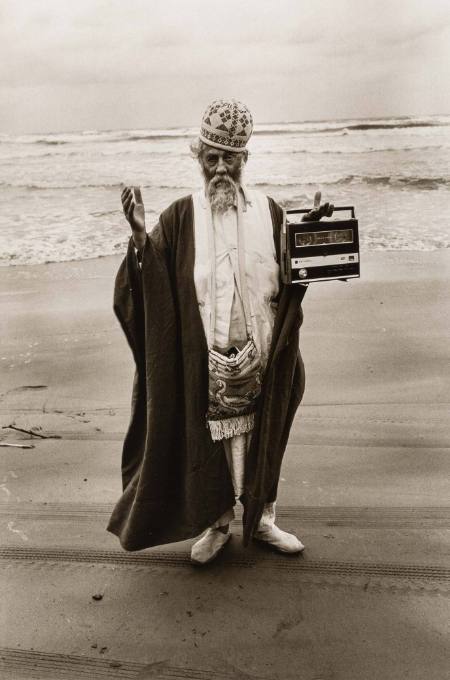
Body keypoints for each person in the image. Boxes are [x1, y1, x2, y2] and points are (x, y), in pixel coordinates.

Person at [107, 99, 333, 565]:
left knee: (264, 436)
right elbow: (151, 283)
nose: (220, 168)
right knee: (208, 446)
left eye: (230, 158)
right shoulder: (180, 216)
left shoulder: (270, 213)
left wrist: (315, 226)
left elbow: (298, 267)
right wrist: (138, 238)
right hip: (203, 356)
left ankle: (264, 519)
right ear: (199, 157)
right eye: (211, 157)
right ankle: (216, 525)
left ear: (245, 159)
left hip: (265, 350)